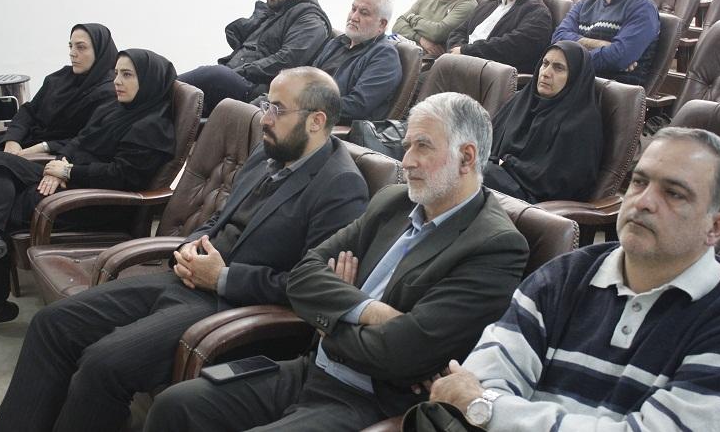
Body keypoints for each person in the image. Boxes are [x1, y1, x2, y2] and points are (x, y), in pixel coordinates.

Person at [0, 66, 369, 432]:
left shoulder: (340, 187)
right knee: (51, 324)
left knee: (104, 363)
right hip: (188, 277)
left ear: (316, 121)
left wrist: (223, 278)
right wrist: (190, 245)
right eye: (266, 105)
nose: (265, 118)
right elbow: (219, 217)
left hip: (234, 307)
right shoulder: (270, 151)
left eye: (278, 109)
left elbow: (309, 286)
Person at [143, 92, 530, 432]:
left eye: (423, 146)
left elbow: (401, 352)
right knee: (175, 406)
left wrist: (327, 319)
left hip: (370, 402)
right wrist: (368, 310)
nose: (407, 160)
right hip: (310, 370)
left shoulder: (494, 246)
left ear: (466, 157)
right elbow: (303, 276)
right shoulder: (393, 202)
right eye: (407, 145)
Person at [426, 127, 720, 431]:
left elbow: (478, 404)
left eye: (674, 194)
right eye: (639, 182)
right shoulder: (562, 276)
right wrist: (484, 406)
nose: (643, 202)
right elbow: (477, 388)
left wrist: (490, 410)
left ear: (716, 227)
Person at [0, 48, 176, 324]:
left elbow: (121, 176)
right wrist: (62, 164)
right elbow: (80, 140)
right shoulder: (117, 108)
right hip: (73, 179)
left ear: (149, 81)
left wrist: (69, 172)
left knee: (3, 204)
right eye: (116, 73)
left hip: (98, 202)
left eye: (127, 75)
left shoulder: (153, 128)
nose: (117, 81)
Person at [179, 0, 331, 116]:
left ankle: (166, 82)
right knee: (181, 99)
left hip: (257, 90)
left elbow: (288, 60)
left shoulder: (311, 20)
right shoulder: (271, 15)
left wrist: (241, 71)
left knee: (212, 74)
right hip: (235, 77)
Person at [484, 40, 603, 203]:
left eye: (558, 68)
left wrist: (506, 163)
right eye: (545, 64)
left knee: (475, 173)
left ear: (575, 77)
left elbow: (559, 183)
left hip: (535, 200)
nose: (546, 73)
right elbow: (486, 143)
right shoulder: (521, 100)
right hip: (496, 176)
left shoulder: (582, 123)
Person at [0, 23, 117, 154]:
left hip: (55, 155)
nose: (72, 53)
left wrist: (42, 148)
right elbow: (29, 111)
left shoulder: (109, 92)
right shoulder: (60, 78)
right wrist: (12, 140)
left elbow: (89, 139)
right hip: (24, 141)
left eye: (81, 47)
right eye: (71, 46)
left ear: (100, 50)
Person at [446, 0, 552, 73]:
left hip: (488, 73)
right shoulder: (488, 5)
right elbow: (458, 32)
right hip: (458, 62)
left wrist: (465, 52)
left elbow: (510, 47)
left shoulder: (539, 14)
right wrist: (456, 49)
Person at [312, 0, 402, 124]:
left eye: (364, 13)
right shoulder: (338, 42)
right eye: (353, 9)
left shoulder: (384, 56)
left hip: (335, 126)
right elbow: (309, 78)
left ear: (382, 24)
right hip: (310, 114)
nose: (354, 17)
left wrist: (308, 104)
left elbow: (356, 106)